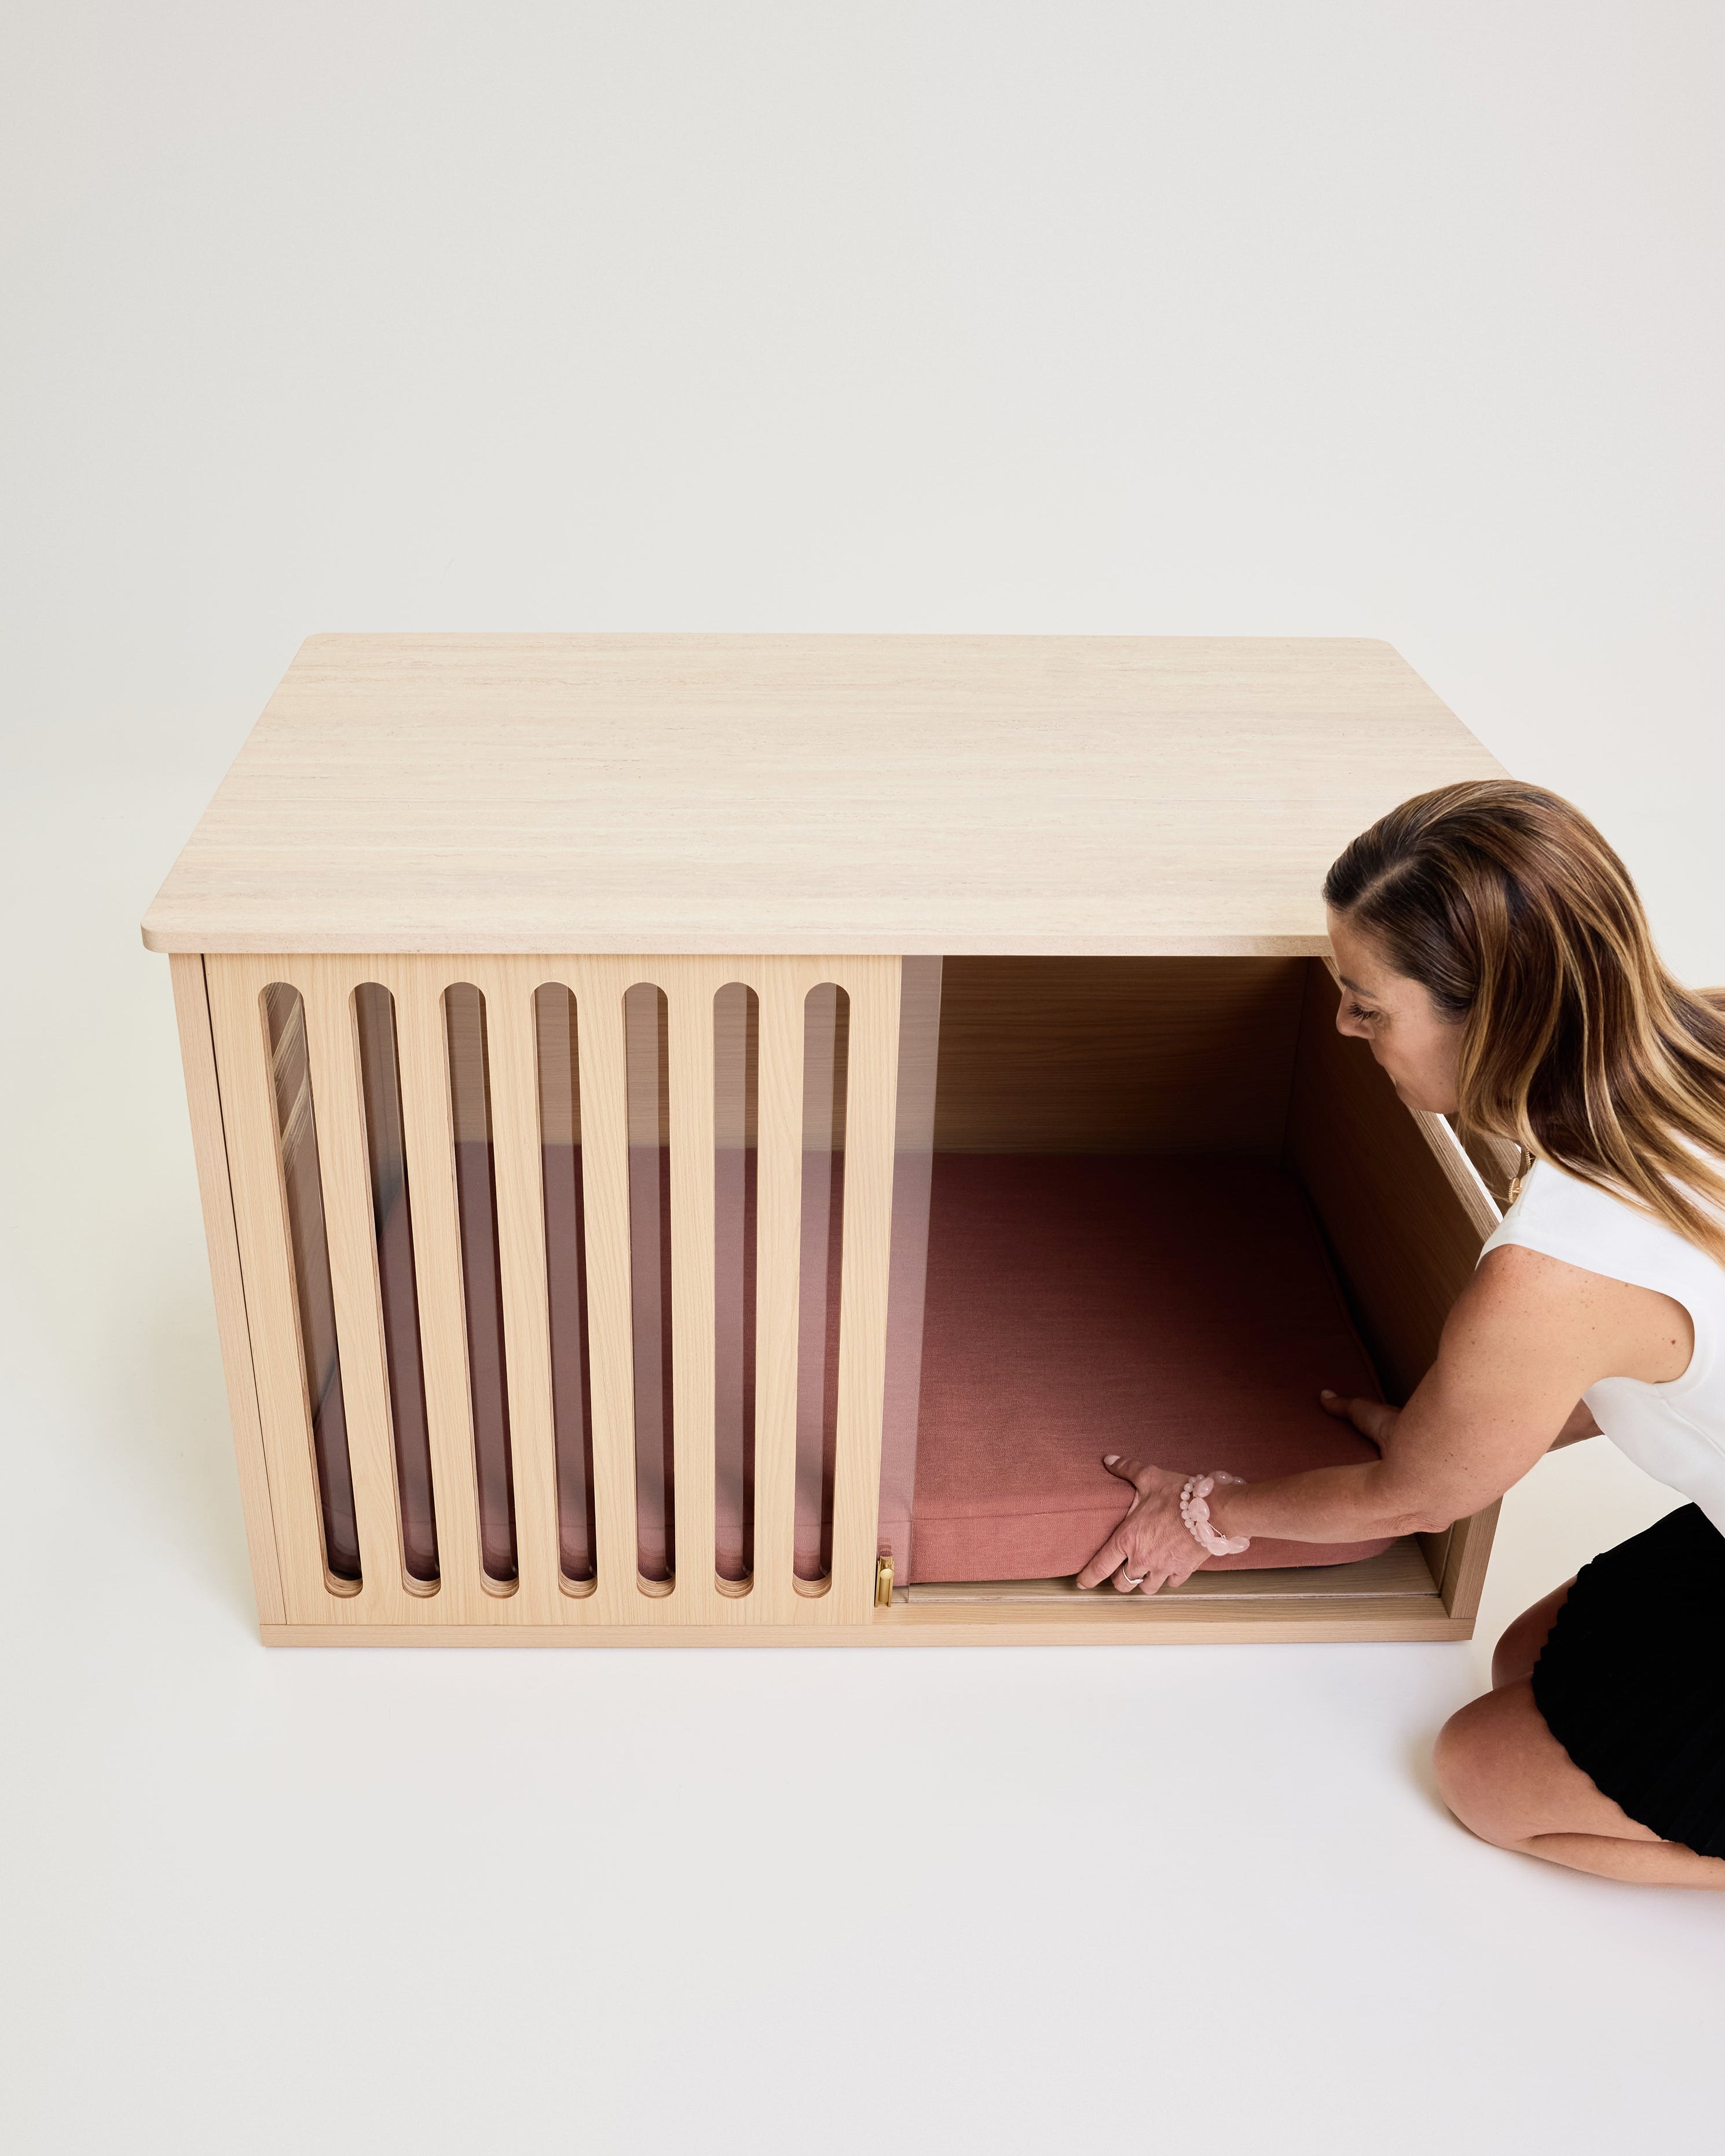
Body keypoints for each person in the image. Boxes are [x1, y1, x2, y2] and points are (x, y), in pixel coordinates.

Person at [1078, 779, 1725, 1888]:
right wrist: (1470, 1424)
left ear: (1496, 1017)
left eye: (1368, 1005)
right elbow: (1673, 1340)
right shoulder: (1699, 1036)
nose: (1344, 1026)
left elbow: (1410, 1503)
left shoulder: (1555, 1269)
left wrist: (1204, 1512)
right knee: (1526, 1660)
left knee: (1483, 1775)